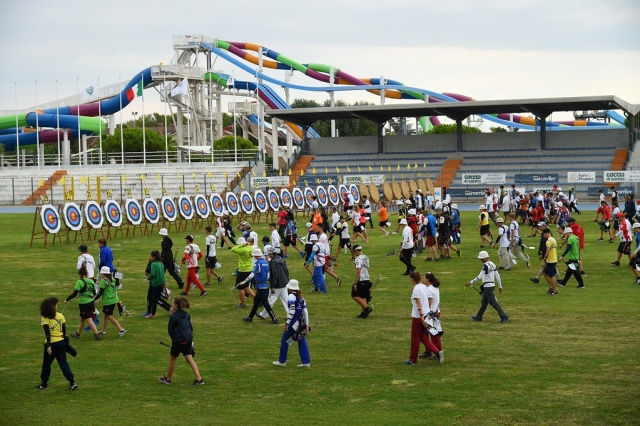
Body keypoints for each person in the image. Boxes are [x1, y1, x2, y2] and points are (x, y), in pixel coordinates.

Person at [158, 297, 204, 386]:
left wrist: (175, 340)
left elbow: (170, 330)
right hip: (188, 339)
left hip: (178, 340)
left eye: (172, 303)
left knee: (172, 358)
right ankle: (199, 379)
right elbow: (190, 328)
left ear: (176, 305)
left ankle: (168, 379)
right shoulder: (186, 314)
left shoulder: (174, 317)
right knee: (189, 358)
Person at [35, 297, 77, 391]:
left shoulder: (44, 318)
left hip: (52, 343)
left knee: (46, 364)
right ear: (53, 307)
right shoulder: (60, 316)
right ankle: (72, 382)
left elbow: (47, 333)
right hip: (61, 342)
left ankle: (44, 383)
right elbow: (64, 330)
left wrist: (49, 346)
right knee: (63, 363)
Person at [404, 271, 443, 366]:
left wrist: (421, 316)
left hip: (418, 316)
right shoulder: (424, 287)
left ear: (412, 279)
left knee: (415, 339)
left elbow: (419, 304)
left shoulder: (417, 289)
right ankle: (437, 352)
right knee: (423, 337)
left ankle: (413, 359)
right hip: (427, 314)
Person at [273, 280, 311, 368]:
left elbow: (292, 310)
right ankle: (306, 362)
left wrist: (287, 323)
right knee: (301, 340)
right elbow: (305, 312)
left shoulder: (290, 296)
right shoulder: (301, 297)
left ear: (289, 288)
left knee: (285, 340)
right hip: (301, 321)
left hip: (293, 321)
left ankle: (282, 361)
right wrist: (307, 325)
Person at [465, 251, 509, 322]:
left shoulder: (485, 266)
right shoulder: (492, 264)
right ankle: (479, 316)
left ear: (485, 258)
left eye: (481, 258)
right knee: (484, 302)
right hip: (492, 285)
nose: (480, 260)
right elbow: (497, 276)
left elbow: (480, 276)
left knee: (493, 302)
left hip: (488, 287)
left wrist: (471, 282)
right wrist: (500, 286)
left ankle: (503, 316)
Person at [241, 247, 279, 324]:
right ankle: (250, 317)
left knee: (265, 303)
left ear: (255, 255)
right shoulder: (266, 263)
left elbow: (252, 275)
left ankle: (274, 318)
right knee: (256, 302)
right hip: (265, 285)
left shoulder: (257, 263)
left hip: (260, 287)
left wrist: (244, 281)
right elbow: (268, 275)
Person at [64, 266, 101, 340]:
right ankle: (77, 334)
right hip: (91, 301)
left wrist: (67, 299)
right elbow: (94, 292)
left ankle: (96, 334)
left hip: (84, 303)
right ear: (86, 273)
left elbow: (75, 293)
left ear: (80, 274)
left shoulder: (79, 282)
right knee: (82, 318)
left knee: (88, 319)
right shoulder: (91, 281)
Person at [257, 245, 290, 320]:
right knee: (286, 300)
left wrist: (273, 286)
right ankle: (290, 315)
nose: (268, 255)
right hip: (284, 283)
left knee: (271, 300)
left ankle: (264, 314)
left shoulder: (273, 262)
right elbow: (286, 271)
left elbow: (275, 275)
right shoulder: (281, 259)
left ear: (272, 253)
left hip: (277, 285)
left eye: (269, 254)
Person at [93, 266, 127, 336]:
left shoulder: (103, 281)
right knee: (105, 315)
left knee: (109, 316)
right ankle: (103, 331)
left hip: (108, 301)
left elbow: (100, 292)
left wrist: (94, 299)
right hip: (114, 300)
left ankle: (121, 329)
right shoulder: (113, 279)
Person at [420, 272, 444, 361]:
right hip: (436, 312)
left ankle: (438, 352)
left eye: (424, 278)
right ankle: (428, 351)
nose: (423, 279)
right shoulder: (434, 287)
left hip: (431, 315)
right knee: (427, 333)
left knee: (434, 334)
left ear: (428, 280)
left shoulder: (429, 290)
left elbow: (428, 304)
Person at [144, 250, 172, 318]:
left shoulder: (153, 264)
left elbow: (153, 274)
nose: (150, 257)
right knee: (154, 299)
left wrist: (148, 277)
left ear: (154, 257)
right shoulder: (161, 263)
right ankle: (153, 314)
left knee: (156, 299)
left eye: (151, 256)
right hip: (161, 283)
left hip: (155, 284)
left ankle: (169, 308)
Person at [231, 237, 256, 308]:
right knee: (246, 286)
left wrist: (241, 245)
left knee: (240, 287)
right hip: (249, 268)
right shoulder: (250, 247)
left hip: (243, 270)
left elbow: (233, 249)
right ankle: (256, 298)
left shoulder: (243, 249)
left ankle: (243, 304)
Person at [351, 245, 373, 318]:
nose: (354, 253)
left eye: (354, 251)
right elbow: (368, 268)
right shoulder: (366, 257)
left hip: (361, 279)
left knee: (354, 295)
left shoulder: (358, 259)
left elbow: (358, 271)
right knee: (362, 296)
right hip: (367, 278)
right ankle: (363, 313)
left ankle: (367, 308)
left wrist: (355, 282)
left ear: (356, 251)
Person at [541, 228, 559, 295]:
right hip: (554, 258)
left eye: (543, 234)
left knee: (551, 275)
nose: (543, 236)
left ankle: (554, 290)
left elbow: (547, 252)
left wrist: (544, 260)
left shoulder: (548, 241)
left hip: (550, 260)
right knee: (545, 273)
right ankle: (551, 287)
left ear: (546, 233)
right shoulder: (553, 239)